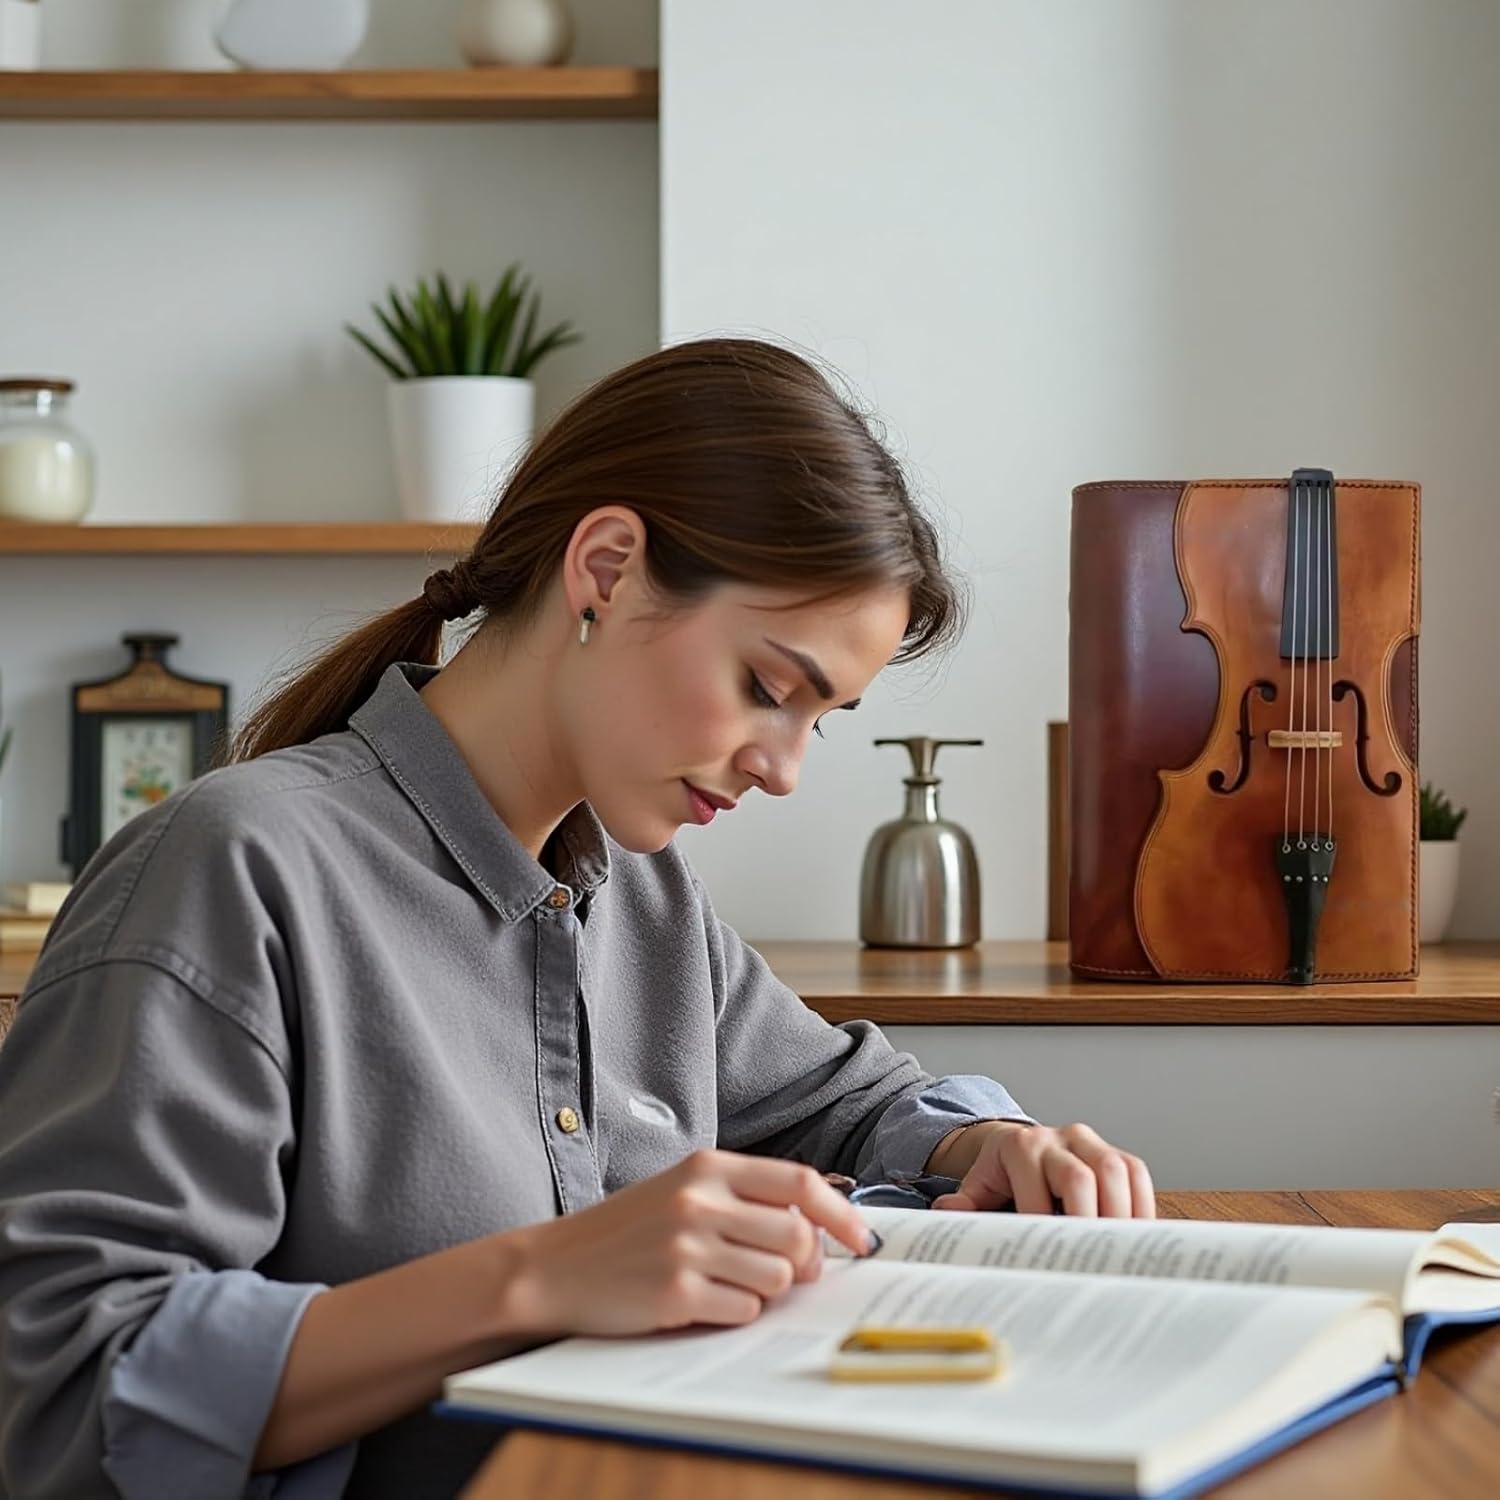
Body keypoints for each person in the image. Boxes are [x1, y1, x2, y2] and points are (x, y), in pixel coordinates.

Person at [0, 338, 1153, 1500]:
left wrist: (986, 1145)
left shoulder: (641, 898)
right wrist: (540, 1278)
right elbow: (70, 1391)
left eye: (824, 720)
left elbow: (845, 1098)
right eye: (769, 687)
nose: (785, 768)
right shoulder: (232, 869)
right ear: (604, 570)